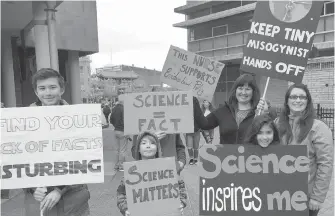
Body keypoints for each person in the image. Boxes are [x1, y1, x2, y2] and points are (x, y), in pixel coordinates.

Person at [257, 83, 334, 216]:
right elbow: (261, 145)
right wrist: (259, 115)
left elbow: (325, 164)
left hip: (304, 196)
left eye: (302, 97)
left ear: (307, 101)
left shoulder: (319, 128)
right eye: (293, 96)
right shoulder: (277, 123)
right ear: (287, 101)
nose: (298, 100)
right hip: (279, 194)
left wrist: (317, 197)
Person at [24, 68, 90, 216]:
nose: (47, 92)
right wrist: (33, 188)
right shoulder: (22, 122)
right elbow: (18, 160)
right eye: (42, 88)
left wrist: (60, 189)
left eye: (52, 87)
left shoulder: (80, 120)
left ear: (62, 89)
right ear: (36, 92)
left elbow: (86, 158)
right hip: (38, 200)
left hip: (73, 199)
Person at [117, 131, 187, 216]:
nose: (148, 146)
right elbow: (121, 193)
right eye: (144, 143)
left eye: (153, 143)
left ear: (158, 148)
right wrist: (125, 209)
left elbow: (181, 187)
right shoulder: (132, 172)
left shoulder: (167, 169)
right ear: (138, 149)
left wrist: (181, 203)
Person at [131, 87, 186, 173]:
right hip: (148, 172)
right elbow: (134, 151)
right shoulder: (141, 124)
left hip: (171, 171)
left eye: (163, 102)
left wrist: (181, 162)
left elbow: (179, 146)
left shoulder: (173, 122)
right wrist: (151, 138)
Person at [193, 73, 261, 144]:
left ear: (253, 92)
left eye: (247, 89)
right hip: (226, 155)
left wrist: (265, 113)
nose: (243, 92)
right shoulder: (223, 110)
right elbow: (204, 124)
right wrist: (195, 103)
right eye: (240, 88)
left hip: (252, 155)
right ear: (235, 90)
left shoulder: (259, 112)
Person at [110, 97, 128, 172]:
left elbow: (111, 120)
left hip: (116, 130)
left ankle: (116, 165)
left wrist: (115, 125)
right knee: (123, 149)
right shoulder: (123, 109)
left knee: (116, 150)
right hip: (122, 131)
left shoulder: (114, 109)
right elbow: (125, 120)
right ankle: (122, 166)